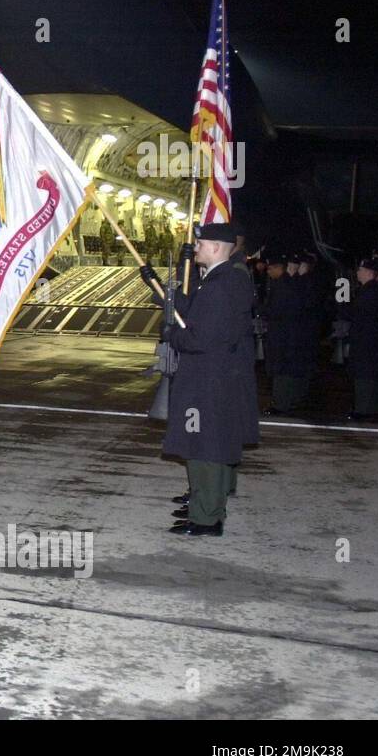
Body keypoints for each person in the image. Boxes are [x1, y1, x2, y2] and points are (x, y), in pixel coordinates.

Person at [140, 223, 259, 536]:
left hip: (208, 379)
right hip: (216, 378)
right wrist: (158, 289)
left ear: (218, 247)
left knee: (203, 447)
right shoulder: (223, 279)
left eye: (202, 243)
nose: (197, 248)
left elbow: (203, 337)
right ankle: (208, 512)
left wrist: (173, 336)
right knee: (214, 446)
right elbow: (193, 308)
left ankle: (205, 518)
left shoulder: (222, 284)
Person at [262, 252, 313, 414]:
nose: (268, 272)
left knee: (282, 370)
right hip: (290, 333)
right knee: (286, 370)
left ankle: (281, 404)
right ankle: (287, 401)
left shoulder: (285, 285)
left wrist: (263, 310)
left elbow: (276, 310)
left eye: (271, 268)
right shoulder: (289, 284)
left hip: (283, 334)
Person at [344, 257, 378, 420]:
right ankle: (369, 408)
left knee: (364, 376)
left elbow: (357, 315)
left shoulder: (369, 292)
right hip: (375, 341)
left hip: (366, 341)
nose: (358, 273)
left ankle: (362, 409)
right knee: (372, 376)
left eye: (360, 270)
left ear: (368, 273)